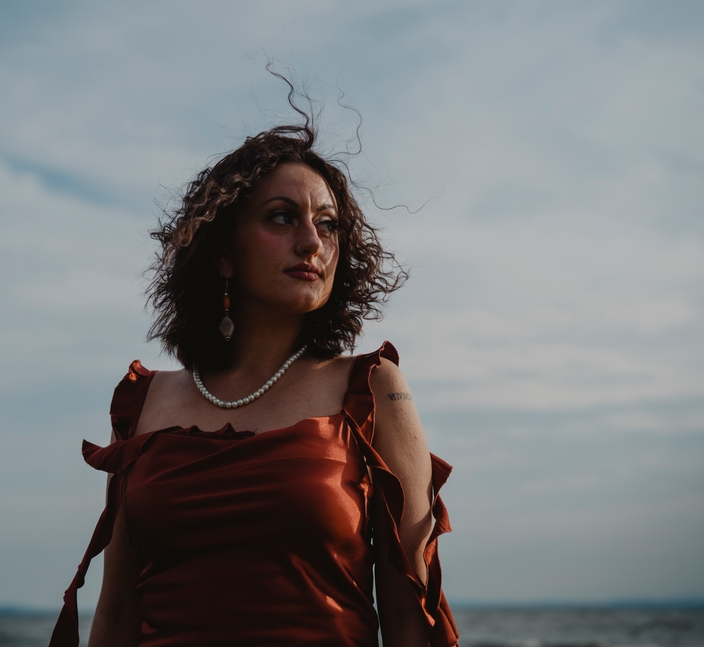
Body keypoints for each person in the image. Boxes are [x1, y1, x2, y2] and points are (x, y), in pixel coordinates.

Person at [49, 112, 458, 647]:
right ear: (223, 252)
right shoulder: (144, 400)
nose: (312, 241)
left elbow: (411, 619)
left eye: (329, 224)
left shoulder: (376, 387)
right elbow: (116, 614)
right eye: (283, 217)